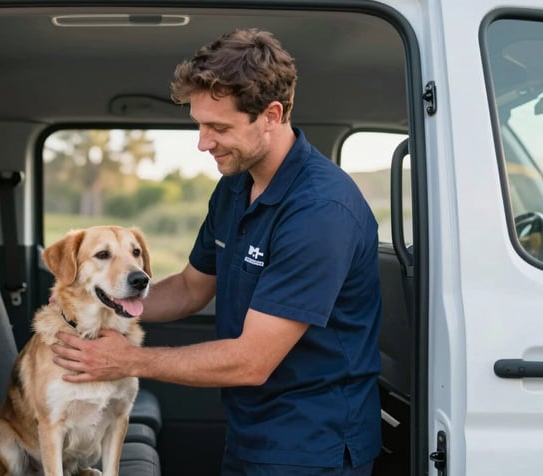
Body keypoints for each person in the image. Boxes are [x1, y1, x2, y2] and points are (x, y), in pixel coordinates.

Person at [51, 28, 382, 475]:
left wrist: (127, 360)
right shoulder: (234, 188)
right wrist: (101, 304)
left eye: (219, 127)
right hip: (252, 430)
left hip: (311, 445)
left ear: (271, 114)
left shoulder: (319, 211)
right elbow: (190, 288)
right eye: (200, 124)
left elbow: (252, 361)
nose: (203, 143)